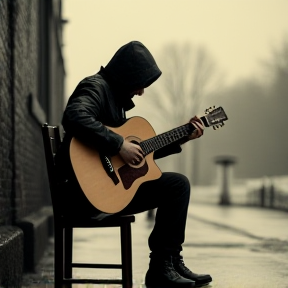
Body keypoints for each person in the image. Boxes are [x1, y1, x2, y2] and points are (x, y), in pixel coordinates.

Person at [55, 40, 212, 288]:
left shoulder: (114, 97)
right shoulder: (95, 87)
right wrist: (119, 144)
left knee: (177, 185)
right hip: (82, 196)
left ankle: (168, 260)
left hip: (104, 192)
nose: (141, 92)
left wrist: (184, 135)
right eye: (140, 84)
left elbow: (138, 156)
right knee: (177, 186)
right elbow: (74, 116)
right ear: (128, 74)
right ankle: (162, 267)